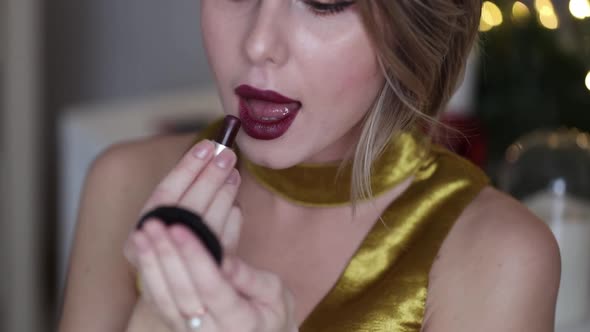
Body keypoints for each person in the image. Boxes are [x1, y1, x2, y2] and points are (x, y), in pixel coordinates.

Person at [57, 1, 561, 331]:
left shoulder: (499, 254)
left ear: (413, 27)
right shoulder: (124, 185)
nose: (259, 44)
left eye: (323, 2)